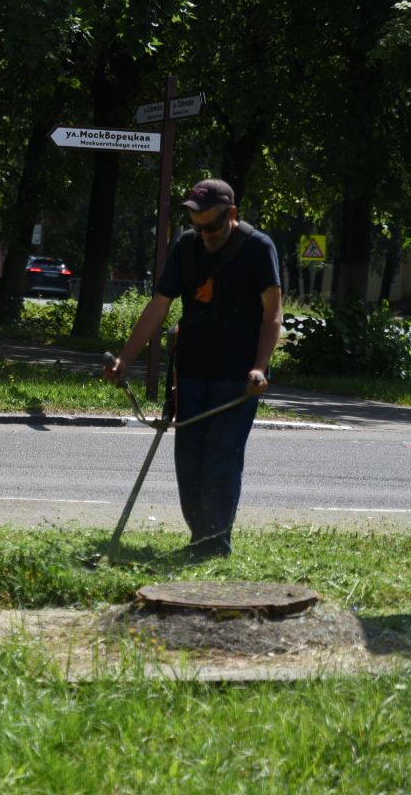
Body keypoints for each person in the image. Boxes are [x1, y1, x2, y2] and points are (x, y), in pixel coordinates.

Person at [105, 178, 283, 558]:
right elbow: (159, 307)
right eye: (197, 225)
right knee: (189, 459)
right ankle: (199, 538)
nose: (204, 234)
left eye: (212, 225)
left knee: (221, 457)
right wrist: (126, 358)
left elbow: (273, 316)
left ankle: (213, 545)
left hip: (238, 378)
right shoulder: (186, 247)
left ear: (232, 214)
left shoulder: (258, 248)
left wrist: (259, 367)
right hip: (191, 372)